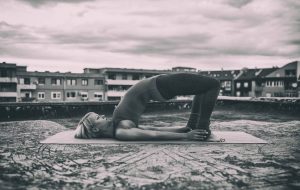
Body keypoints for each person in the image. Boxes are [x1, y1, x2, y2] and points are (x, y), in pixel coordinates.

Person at [74, 73, 220, 141]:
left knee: (204, 88)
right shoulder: (121, 132)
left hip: (157, 85)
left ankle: (196, 127)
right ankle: (203, 131)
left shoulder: (119, 125)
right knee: (213, 85)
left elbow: (153, 130)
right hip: (158, 85)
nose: (103, 116)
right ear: (95, 128)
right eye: (98, 118)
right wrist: (186, 136)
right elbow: (153, 135)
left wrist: (183, 129)